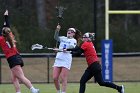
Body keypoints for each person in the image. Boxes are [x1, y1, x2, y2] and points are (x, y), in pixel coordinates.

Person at [0, 10, 39, 93]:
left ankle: (33, 89)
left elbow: (6, 27)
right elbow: (7, 26)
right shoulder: (10, 35)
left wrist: (5, 18)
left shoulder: (1, 39)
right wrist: (6, 17)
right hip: (17, 57)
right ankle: (18, 92)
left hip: (12, 59)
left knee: (21, 77)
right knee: (14, 78)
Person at [53, 24, 81, 93]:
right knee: (55, 78)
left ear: (74, 34)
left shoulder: (73, 40)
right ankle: (58, 91)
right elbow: (55, 37)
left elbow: (72, 47)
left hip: (66, 59)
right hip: (58, 58)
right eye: (68, 30)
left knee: (63, 77)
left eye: (71, 31)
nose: (69, 31)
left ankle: (63, 92)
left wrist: (62, 49)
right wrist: (57, 30)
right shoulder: (63, 38)